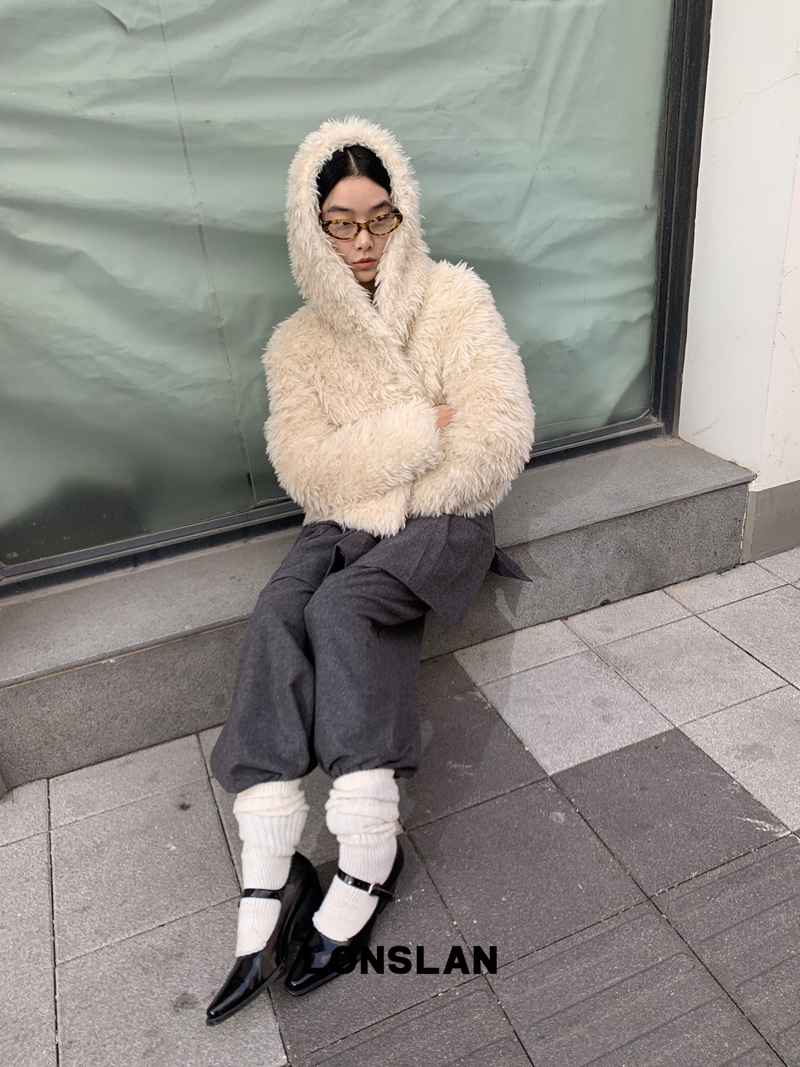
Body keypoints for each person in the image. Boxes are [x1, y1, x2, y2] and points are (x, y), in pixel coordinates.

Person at [205, 116, 536, 1024]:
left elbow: (497, 434)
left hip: (445, 516)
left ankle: (365, 854)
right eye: (342, 224)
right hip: (344, 518)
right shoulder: (296, 345)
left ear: (403, 214)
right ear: (310, 229)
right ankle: (270, 871)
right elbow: (304, 468)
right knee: (280, 609)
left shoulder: (454, 298)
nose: (363, 241)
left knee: (343, 608)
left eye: (379, 218)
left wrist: (377, 468)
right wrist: (417, 427)